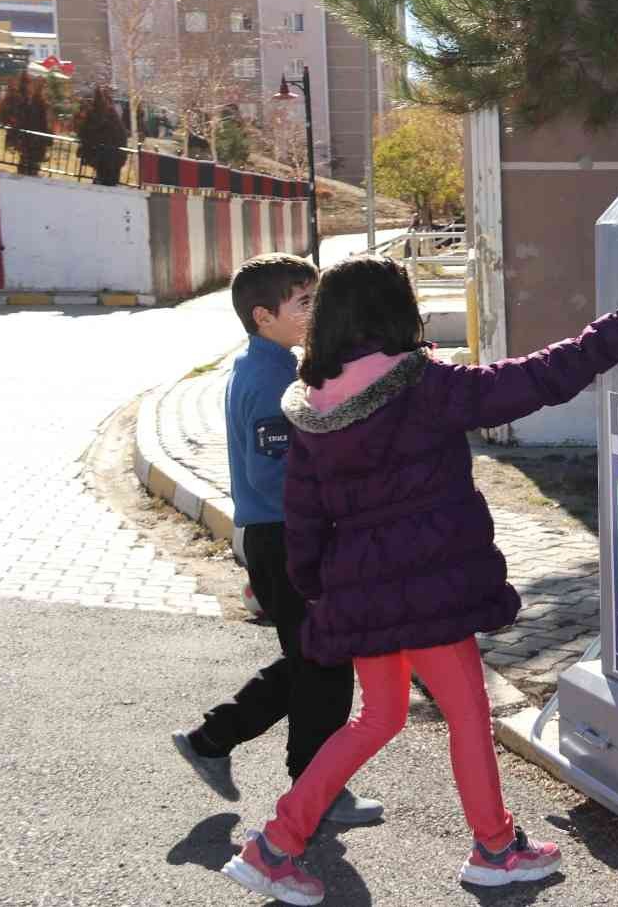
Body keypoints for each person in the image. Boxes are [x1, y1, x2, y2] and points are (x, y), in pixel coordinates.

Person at [222, 256, 618, 905]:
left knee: (377, 718)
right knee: (470, 717)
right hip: (428, 593)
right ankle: (496, 849)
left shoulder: (312, 403)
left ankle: (274, 846)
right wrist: (612, 333)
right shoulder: (421, 384)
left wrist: (317, 588)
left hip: (359, 594)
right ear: (394, 312)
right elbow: (531, 381)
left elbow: (303, 515)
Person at [172, 254, 383, 826]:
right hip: (288, 537)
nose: (315, 312)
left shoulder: (269, 365)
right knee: (326, 666)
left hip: (276, 536)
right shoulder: (269, 380)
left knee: (312, 657)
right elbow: (278, 473)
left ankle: (213, 739)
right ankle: (314, 794)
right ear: (263, 315)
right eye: (304, 303)